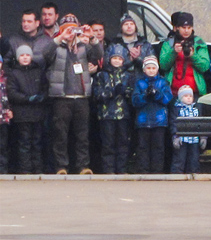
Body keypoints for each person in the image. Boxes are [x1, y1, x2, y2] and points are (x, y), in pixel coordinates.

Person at [43, 14, 102, 174]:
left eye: (73, 28)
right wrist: (61, 37)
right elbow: (45, 55)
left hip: (81, 97)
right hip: (62, 98)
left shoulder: (83, 46)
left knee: (82, 135)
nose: (71, 32)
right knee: (60, 135)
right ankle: (61, 166)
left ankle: (82, 166)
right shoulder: (56, 47)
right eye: (67, 29)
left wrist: (92, 37)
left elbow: (98, 55)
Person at [6, 45, 49, 173]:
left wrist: (42, 97)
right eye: (22, 55)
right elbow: (12, 93)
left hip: (38, 113)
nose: (25, 58)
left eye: (27, 55)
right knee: (24, 143)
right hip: (22, 115)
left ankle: (38, 169)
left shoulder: (38, 71)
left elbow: (45, 87)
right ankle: (25, 170)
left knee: (37, 142)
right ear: (18, 58)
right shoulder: (14, 73)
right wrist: (27, 98)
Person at [92, 43, 133, 174]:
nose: (117, 61)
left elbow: (132, 95)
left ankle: (122, 170)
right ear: (109, 58)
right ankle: (108, 170)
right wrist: (111, 92)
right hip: (106, 115)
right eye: (114, 58)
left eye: (120, 58)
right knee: (108, 144)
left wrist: (126, 92)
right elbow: (97, 95)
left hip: (123, 115)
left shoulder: (128, 76)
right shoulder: (101, 75)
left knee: (123, 144)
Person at [132, 55, 172, 174]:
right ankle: (143, 170)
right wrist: (145, 95)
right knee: (142, 147)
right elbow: (135, 101)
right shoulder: (139, 83)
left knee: (158, 148)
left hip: (159, 121)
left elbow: (167, 99)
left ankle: (157, 171)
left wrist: (156, 94)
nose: (151, 70)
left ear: (157, 69)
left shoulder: (163, 82)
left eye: (153, 68)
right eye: (148, 68)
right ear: (144, 70)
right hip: (143, 121)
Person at [158, 12, 210, 97]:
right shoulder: (169, 42)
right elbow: (163, 65)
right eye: (183, 27)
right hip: (173, 92)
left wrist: (193, 55)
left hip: (194, 93)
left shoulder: (199, 42)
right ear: (177, 28)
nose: (186, 31)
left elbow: (205, 66)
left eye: (189, 28)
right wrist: (173, 52)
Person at [170, 85, 201, 174]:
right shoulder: (177, 109)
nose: (188, 98)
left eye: (190, 96)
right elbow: (173, 123)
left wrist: (203, 137)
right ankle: (176, 176)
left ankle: (194, 176)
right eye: (185, 96)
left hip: (194, 138)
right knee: (179, 159)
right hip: (181, 138)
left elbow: (201, 123)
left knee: (194, 159)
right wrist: (175, 136)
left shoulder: (196, 108)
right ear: (180, 97)